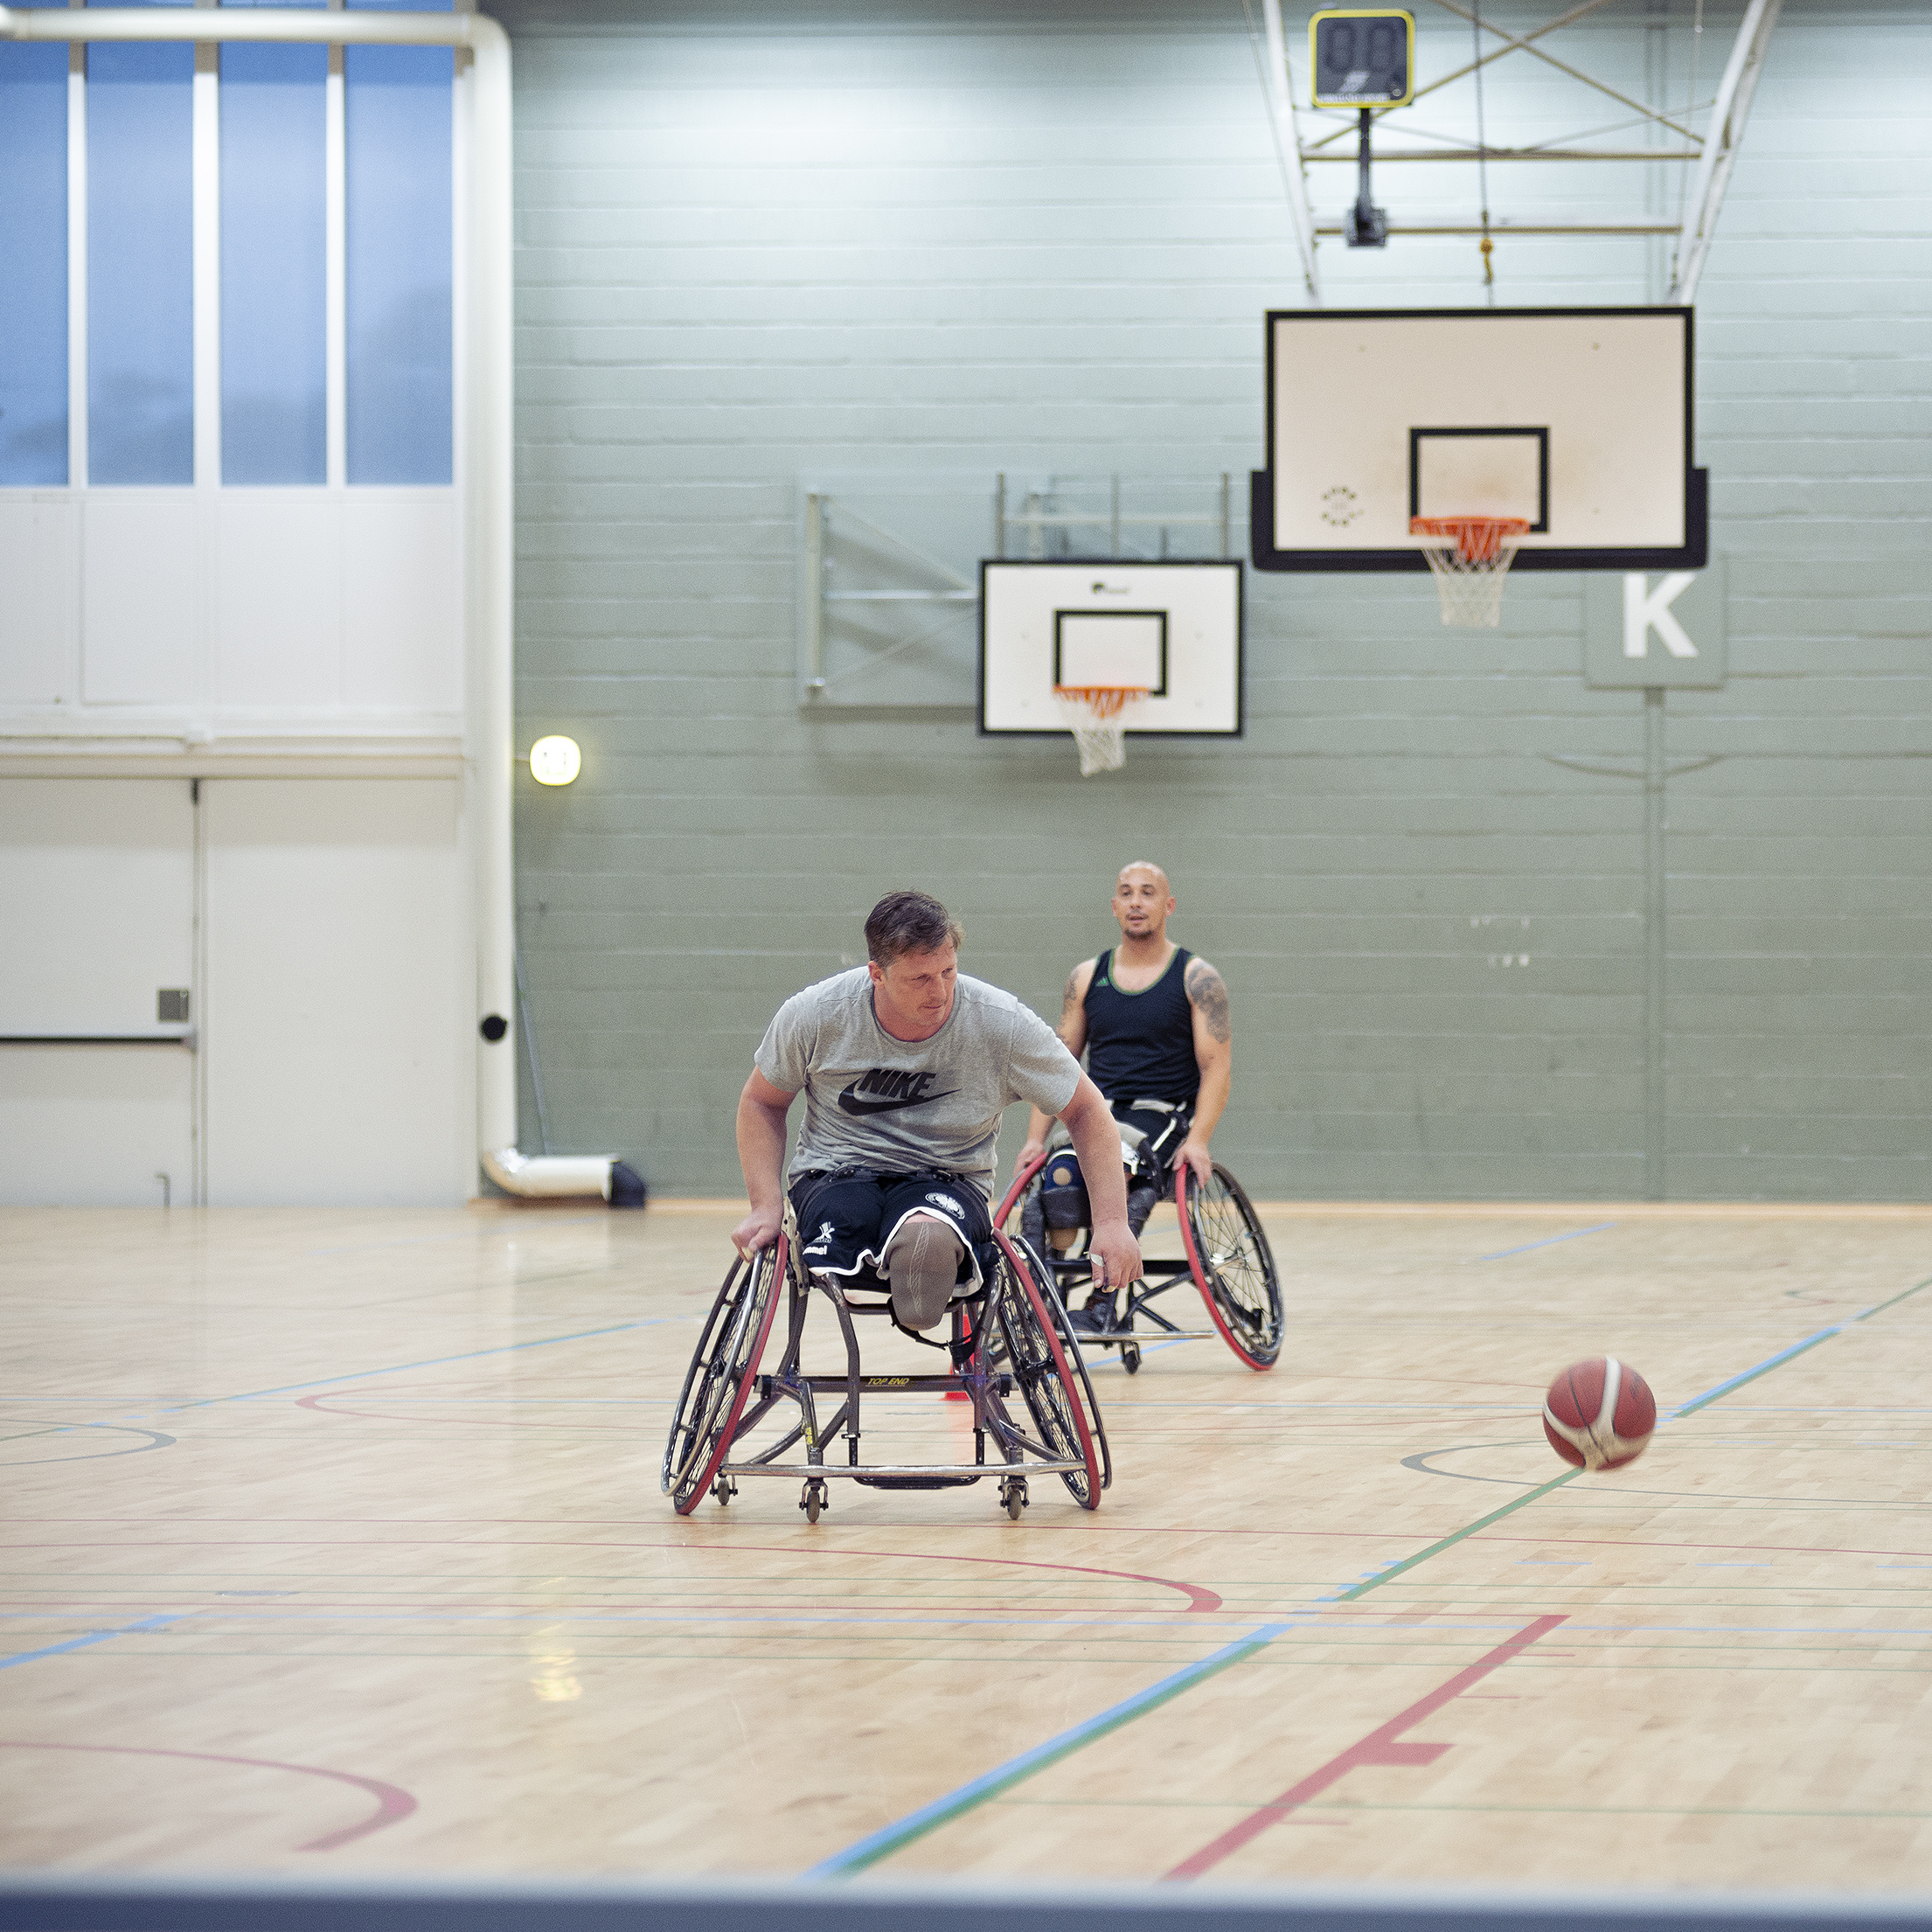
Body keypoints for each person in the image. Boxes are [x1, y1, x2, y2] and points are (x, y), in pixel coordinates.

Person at [731, 889, 1141, 1333]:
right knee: (846, 1222)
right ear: (877, 975)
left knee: (926, 1252)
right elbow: (762, 1102)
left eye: (948, 971)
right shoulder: (817, 1014)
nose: (940, 991)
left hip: (947, 1176)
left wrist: (1113, 1222)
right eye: (920, 978)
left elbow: (1086, 1109)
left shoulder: (998, 1022)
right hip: (838, 1171)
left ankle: (923, 1262)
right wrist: (764, 1206)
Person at [1016, 861, 1233, 1330]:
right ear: (1114, 906)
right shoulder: (1087, 977)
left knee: (1115, 1164)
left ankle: (1101, 1305)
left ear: (1168, 905)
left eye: (1148, 892)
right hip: (1098, 1113)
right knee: (1056, 1180)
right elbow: (1059, 1066)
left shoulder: (1197, 977)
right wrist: (1035, 1138)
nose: (1137, 902)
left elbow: (1216, 1066)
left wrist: (1198, 1139)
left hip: (1164, 1117)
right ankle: (1042, 1305)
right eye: (1127, 893)